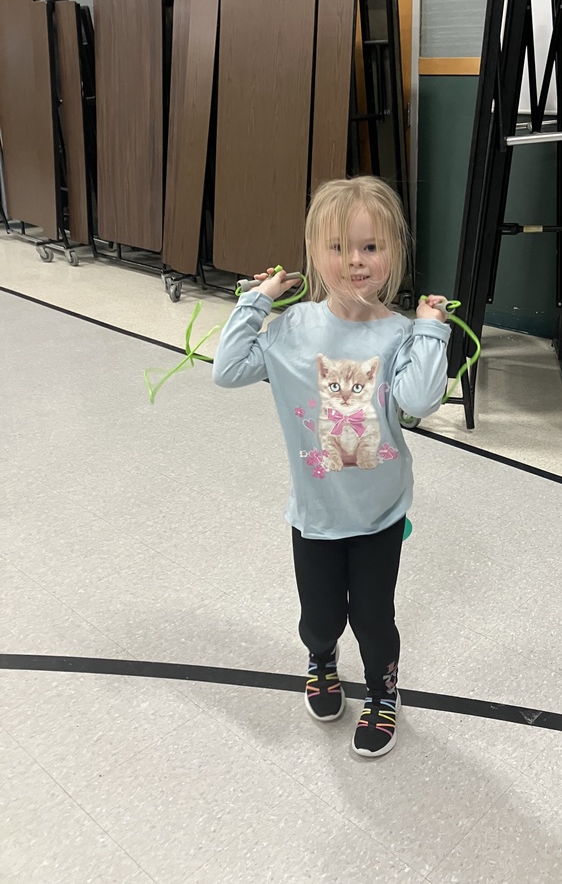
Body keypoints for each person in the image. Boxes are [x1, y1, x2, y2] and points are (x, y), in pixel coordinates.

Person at [212, 176, 450, 757]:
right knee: (318, 618)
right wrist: (258, 299)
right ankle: (321, 658)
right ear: (314, 255)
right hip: (314, 516)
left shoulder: (400, 335)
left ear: (393, 251)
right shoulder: (291, 331)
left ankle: (382, 691)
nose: (356, 262)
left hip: (379, 515)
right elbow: (228, 368)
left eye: (371, 247)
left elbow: (419, 400)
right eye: (339, 248)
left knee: (374, 620)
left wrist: (431, 327)